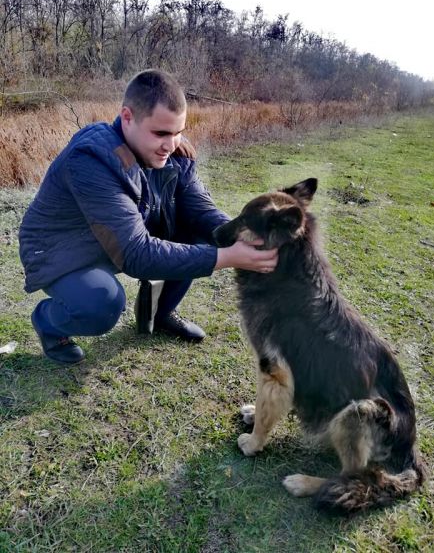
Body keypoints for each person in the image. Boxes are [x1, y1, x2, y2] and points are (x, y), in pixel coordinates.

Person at [19, 69, 278, 364]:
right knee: (102, 303)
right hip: (59, 249)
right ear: (127, 117)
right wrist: (229, 257)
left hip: (114, 237)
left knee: (193, 228)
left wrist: (246, 237)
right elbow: (136, 253)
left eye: (178, 131)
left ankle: (162, 313)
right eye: (161, 133)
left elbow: (201, 211)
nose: (171, 143)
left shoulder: (175, 152)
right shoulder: (90, 159)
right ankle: (48, 322)